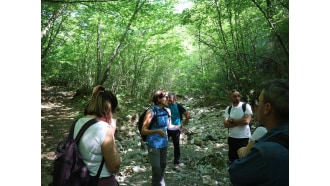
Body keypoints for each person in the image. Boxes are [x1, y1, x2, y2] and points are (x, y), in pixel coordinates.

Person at [228, 79, 289, 186]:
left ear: (267, 108)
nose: (255, 106)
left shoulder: (264, 152)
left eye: (258, 102)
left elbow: (235, 174)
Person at [79, 85, 121, 186]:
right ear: (108, 109)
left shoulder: (78, 122)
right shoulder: (104, 129)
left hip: (80, 178)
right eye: (112, 112)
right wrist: (112, 132)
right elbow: (114, 167)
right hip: (100, 181)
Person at [141, 90, 170, 186]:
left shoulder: (166, 111)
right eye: (166, 96)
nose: (168, 98)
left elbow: (168, 126)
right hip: (153, 145)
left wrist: (181, 127)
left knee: (162, 167)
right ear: (158, 99)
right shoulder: (151, 111)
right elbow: (143, 130)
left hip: (164, 144)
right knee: (156, 168)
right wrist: (157, 131)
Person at [223, 90, 253, 164]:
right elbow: (225, 124)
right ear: (230, 98)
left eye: (238, 96)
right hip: (232, 138)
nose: (237, 98)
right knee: (232, 160)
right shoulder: (228, 109)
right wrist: (240, 121)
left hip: (244, 138)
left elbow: (246, 121)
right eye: (234, 96)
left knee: (245, 160)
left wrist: (232, 121)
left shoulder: (246, 106)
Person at [167, 93, 191, 170]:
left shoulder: (178, 106)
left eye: (171, 100)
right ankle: (161, 161)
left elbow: (187, 115)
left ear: (175, 99)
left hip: (176, 129)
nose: (169, 102)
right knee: (163, 144)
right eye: (168, 100)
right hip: (166, 128)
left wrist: (183, 125)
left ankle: (176, 162)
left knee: (176, 145)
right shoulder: (165, 106)